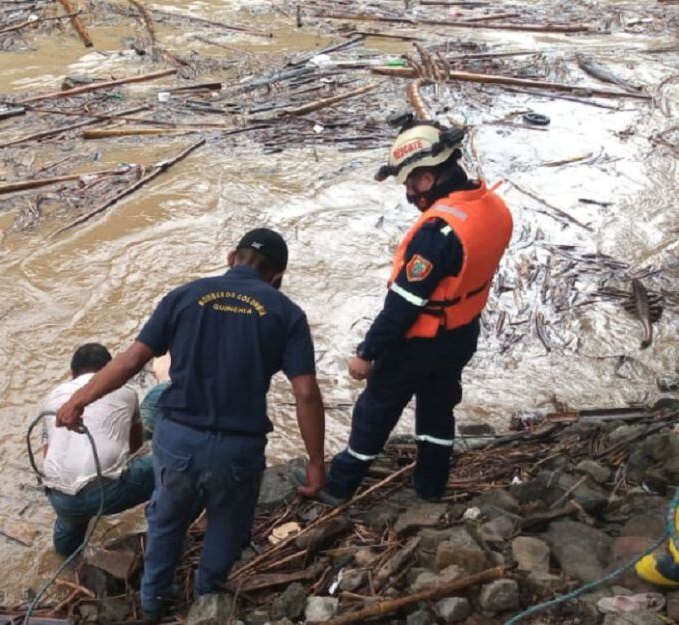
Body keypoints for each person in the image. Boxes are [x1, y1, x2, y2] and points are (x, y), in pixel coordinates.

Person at [56, 229, 327, 619]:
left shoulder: (184, 296)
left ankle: (152, 606)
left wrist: (77, 400)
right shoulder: (287, 313)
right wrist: (316, 461)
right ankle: (206, 601)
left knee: (166, 521)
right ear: (277, 275)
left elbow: (131, 361)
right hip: (238, 447)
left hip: (179, 440)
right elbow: (305, 392)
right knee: (227, 526)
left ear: (232, 256)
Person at [320, 117, 514, 505]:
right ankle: (430, 485)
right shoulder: (491, 206)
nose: (409, 192)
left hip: (419, 340)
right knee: (439, 408)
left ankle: (339, 487)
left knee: (375, 410)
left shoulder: (437, 233)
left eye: (410, 182)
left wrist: (366, 352)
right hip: (461, 333)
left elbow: (404, 304)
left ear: (428, 178)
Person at [40, 343, 154, 557]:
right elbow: (136, 445)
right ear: (110, 370)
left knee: (70, 516)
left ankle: (66, 559)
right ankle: (162, 527)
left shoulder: (53, 396)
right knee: (171, 465)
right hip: (106, 494)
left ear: (71, 373)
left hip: (60, 498)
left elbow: (48, 453)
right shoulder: (127, 391)